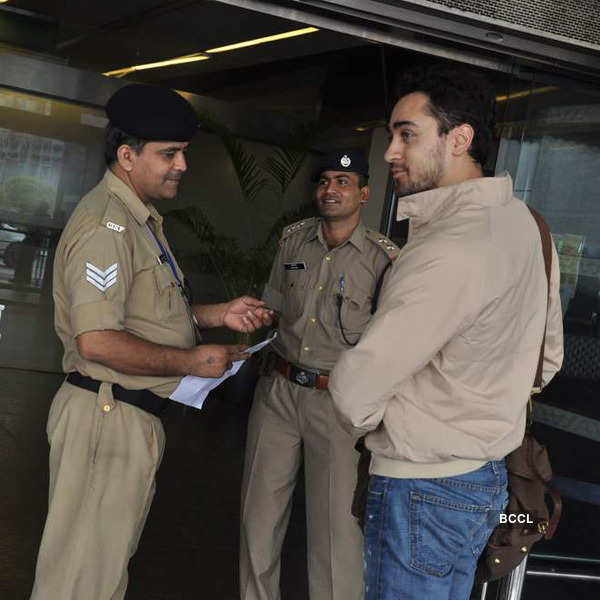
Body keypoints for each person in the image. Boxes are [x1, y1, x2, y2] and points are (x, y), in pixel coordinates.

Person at [329, 66, 564, 600]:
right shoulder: (528, 227)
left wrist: (403, 419)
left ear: (460, 139)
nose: (390, 151)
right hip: (485, 480)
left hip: (421, 484)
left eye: (407, 134)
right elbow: (545, 364)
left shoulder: (447, 245)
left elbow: (355, 391)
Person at [30, 83, 272, 600]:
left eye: (183, 152)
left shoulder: (139, 222)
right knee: (80, 578)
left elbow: (145, 312)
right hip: (106, 418)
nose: (182, 164)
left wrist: (217, 314)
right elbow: (96, 341)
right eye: (169, 154)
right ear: (126, 155)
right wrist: (191, 360)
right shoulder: (107, 227)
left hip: (125, 418)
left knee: (102, 569)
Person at [240, 151, 399, 600]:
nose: (331, 189)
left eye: (343, 181)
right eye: (325, 180)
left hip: (338, 405)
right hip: (278, 391)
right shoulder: (292, 242)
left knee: (336, 531)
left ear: (364, 193)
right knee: (259, 516)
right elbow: (274, 306)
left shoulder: (384, 260)